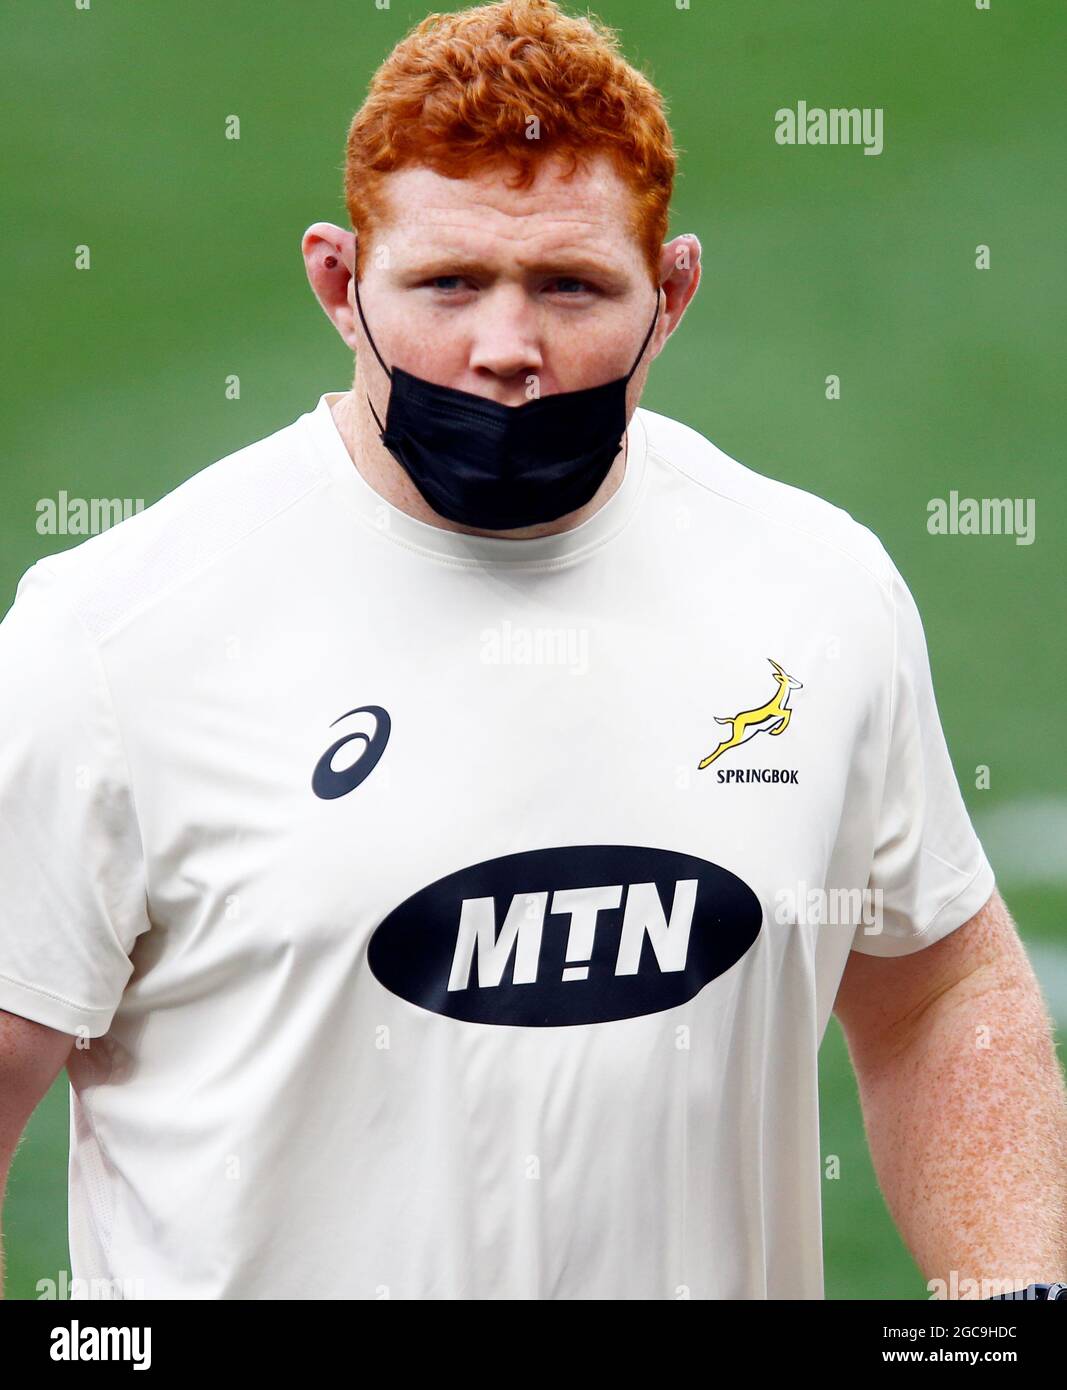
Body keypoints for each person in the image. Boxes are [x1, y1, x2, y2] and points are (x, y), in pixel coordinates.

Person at [1, 0, 1064, 1301]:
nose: (507, 352)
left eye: (570, 287)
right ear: (340, 285)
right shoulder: (112, 642)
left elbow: (939, 991)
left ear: (670, 294)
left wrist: (1010, 1304)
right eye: (448, 284)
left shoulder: (817, 590)